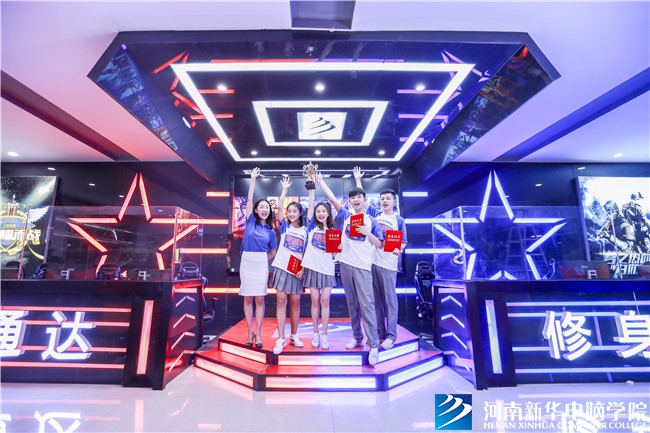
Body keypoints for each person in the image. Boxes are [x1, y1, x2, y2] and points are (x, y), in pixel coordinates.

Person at [318, 172, 384, 366]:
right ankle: (357, 337)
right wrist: (320, 181)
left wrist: (368, 233)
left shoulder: (371, 220)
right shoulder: (346, 216)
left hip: (363, 266)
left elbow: (380, 244)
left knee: (367, 305)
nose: (356, 200)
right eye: (352, 197)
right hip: (345, 265)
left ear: (364, 200)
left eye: (359, 197)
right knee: (352, 303)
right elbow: (332, 199)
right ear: (350, 201)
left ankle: (373, 345)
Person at [354, 167, 408, 350]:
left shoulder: (399, 220)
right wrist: (358, 180)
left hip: (389, 265)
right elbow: (363, 201)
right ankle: (379, 332)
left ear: (394, 202)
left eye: (388, 198)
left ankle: (391, 335)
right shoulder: (376, 215)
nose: (384, 201)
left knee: (390, 301)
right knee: (374, 301)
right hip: (372, 263)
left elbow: (403, 242)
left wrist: (399, 250)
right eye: (382, 198)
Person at [239, 167, 277, 348]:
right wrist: (253, 179)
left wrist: (262, 260)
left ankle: (259, 333)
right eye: (261, 207)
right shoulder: (250, 222)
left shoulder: (271, 231)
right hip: (246, 262)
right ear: (255, 209)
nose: (264, 209)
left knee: (260, 299)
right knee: (247, 298)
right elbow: (249, 200)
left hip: (261, 264)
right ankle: (250, 332)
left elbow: (273, 253)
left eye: (267, 207)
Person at [271, 176, 309, 355]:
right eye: (289, 211)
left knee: (295, 304)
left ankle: (294, 335)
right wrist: (284, 190)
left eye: (295, 211)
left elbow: (306, 252)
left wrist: (303, 269)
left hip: (296, 271)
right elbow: (279, 208)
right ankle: (281, 337)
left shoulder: (305, 231)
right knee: (281, 301)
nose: (291, 214)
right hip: (281, 267)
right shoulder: (285, 227)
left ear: (300, 213)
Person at [301, 186, 338, 350]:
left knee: (325, 301)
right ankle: (315, 333)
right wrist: (311, 189)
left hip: (327, 270)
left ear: (328, 213)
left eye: (324, 211)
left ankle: (324, 335)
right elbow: (310, 204)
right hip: (313, 269)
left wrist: (339, 249)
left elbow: (335, 254)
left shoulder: (333, 231)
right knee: (314, 301)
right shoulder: (311, 227)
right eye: (318, 211)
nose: (321, 213)